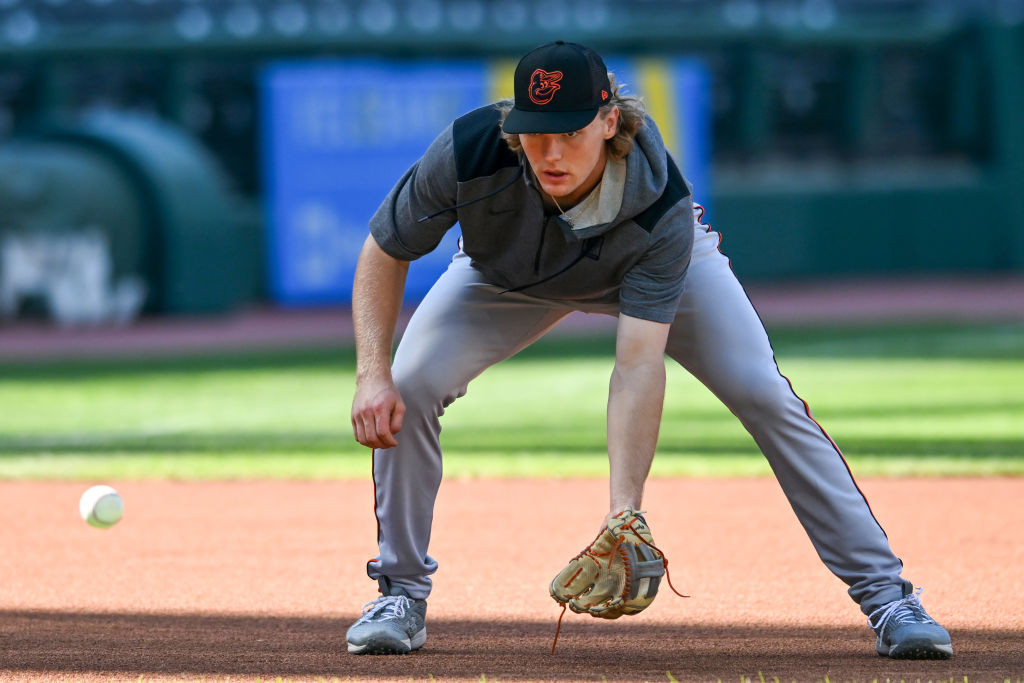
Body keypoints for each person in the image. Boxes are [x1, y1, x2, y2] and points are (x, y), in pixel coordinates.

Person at [345, 40, 953, 660]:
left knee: (764, 395)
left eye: (571, 131)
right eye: (534, 133)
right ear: (512, 126)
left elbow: (637, 364)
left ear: (610, 122)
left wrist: (623, 510)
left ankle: (888, 597)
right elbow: (384, 250)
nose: (551, 152)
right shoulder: (469, 149)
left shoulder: (655, 199)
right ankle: (400, 593)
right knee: (410, 384)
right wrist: (372, 373)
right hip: (506, 280)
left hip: (650, 269)